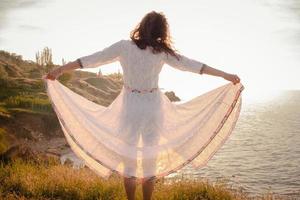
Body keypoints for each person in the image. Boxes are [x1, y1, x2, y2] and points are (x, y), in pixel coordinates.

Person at [45, 11, 242, 200]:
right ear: (161, 31)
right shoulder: (162, 52)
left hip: (129, 106)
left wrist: (60, 70)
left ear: (142, 27)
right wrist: (225, 75)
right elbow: (192, 65)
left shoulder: (124, 46)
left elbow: (92, 59)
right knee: (151, 162)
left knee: (129, 163)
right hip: (153, 108)